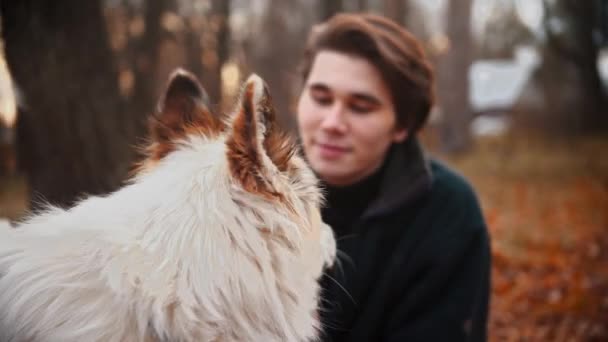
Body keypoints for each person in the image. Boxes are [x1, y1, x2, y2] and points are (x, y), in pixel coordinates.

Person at [295, 13, 491, 341]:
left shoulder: (447, 212)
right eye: (321, 98)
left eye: (360, 107)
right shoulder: (246, 197)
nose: (331, 122)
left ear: (402, 125)